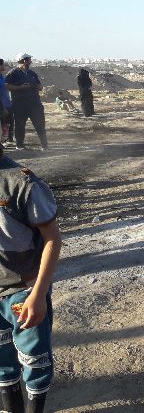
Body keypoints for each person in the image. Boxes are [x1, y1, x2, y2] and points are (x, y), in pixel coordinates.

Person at [0, 144, 62, 413]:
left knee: (35, 358)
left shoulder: (23, 183)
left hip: (23, 292)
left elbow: (52, 239)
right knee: (2, 358)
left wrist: (38, 294)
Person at [4, 54, 48, 150]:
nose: (31, 61)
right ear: (24, 61)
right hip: (20, 104)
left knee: (40, 125)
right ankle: (19, 145)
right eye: (29, 59)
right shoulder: (13, 73)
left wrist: (38, 87)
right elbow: (7, 85)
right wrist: (21, 88)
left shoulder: (32, 73)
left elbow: (40, 85)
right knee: (20, 125)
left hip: (35, 104)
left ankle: (45, 145)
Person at [0, 59, 12, 145]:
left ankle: (6, 141)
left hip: (8, 104)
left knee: (7, 125)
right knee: (2, 126)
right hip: (2, 106)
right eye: (3, 65)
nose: (4, 66)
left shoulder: (2, 77)